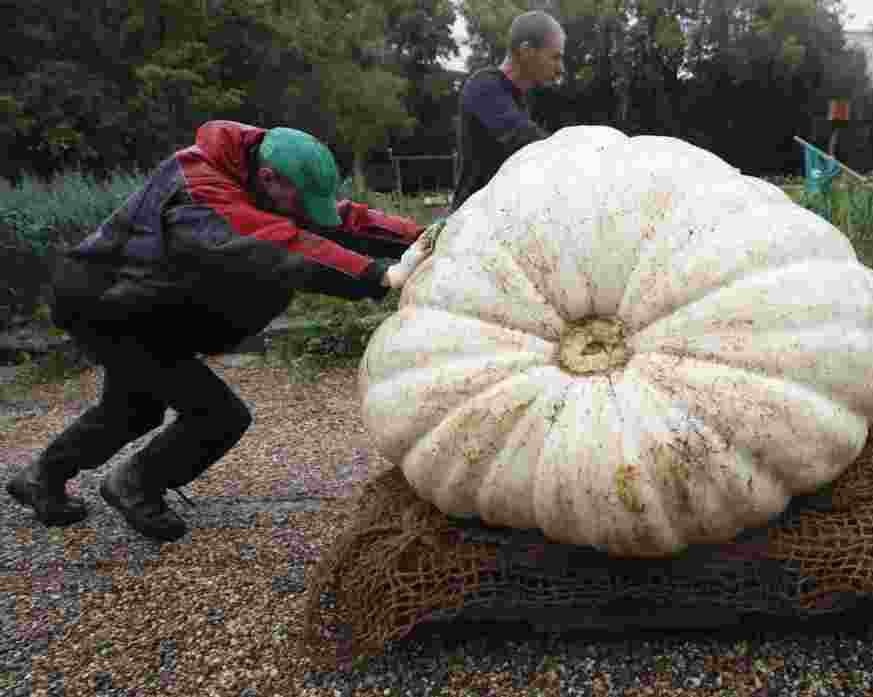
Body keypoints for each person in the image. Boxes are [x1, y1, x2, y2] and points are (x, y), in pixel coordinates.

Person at [5, 121, 432, 542]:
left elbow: (339, 219)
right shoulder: (200, 194)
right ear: (268, 177)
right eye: (301, 202)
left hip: (141, 310)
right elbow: (279, 249)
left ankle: (40, 477)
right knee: (217, 415)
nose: (306, 212)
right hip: (106, 306)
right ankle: (134, 482)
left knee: (133, 409)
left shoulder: (257, 181)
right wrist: (380, 275)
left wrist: (422, 238)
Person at [449, 10, 565, 212]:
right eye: (555, 57)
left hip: (496, 224)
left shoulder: (519, 99)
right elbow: (525, 140)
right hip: (467, 228)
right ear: (527, 51)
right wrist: (578, 154)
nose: (560, 68)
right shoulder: (484, 86)